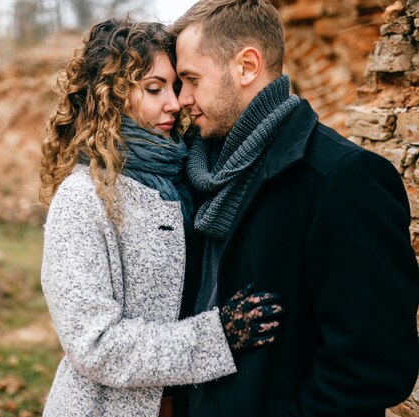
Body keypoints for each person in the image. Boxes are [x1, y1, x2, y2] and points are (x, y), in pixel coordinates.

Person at [170, 1, 419, 416]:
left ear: (247, 65)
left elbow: (374, 365)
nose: (181, 100)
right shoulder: (198, 172)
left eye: (191, 79)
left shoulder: (342, 180)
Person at [39, 18, 284, 417]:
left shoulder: (190, 174)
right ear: (109, 97)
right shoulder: (83, 198)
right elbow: (93, 344)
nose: (174, 102)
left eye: (175, 86)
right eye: (154, 89)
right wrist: (216, 338)